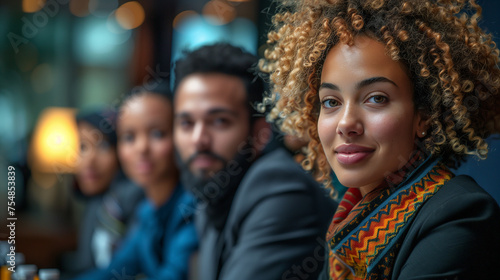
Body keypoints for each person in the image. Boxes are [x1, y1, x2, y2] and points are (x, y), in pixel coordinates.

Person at [261, 0, 500, 279]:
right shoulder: (351, 222)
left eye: (376, 98)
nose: (346, 123)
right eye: (331, 102)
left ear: (423, 116)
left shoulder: (461, 215)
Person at [173, 43, 338, 280]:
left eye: (219, 121)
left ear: (260, 134)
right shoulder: (212, 195)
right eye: (186, 124)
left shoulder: (279, 186)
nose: (199, 140)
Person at [75, 85, 198, 280]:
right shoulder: (148, 213)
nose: (141, 148)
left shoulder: (192, 210)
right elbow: (112, 273)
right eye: (129, 137)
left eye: (158, 134)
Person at [65, 108, 143, 277]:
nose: (89, 161)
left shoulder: (135, 198)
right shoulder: (96, 204)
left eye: (103, 146)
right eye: (83, 147)